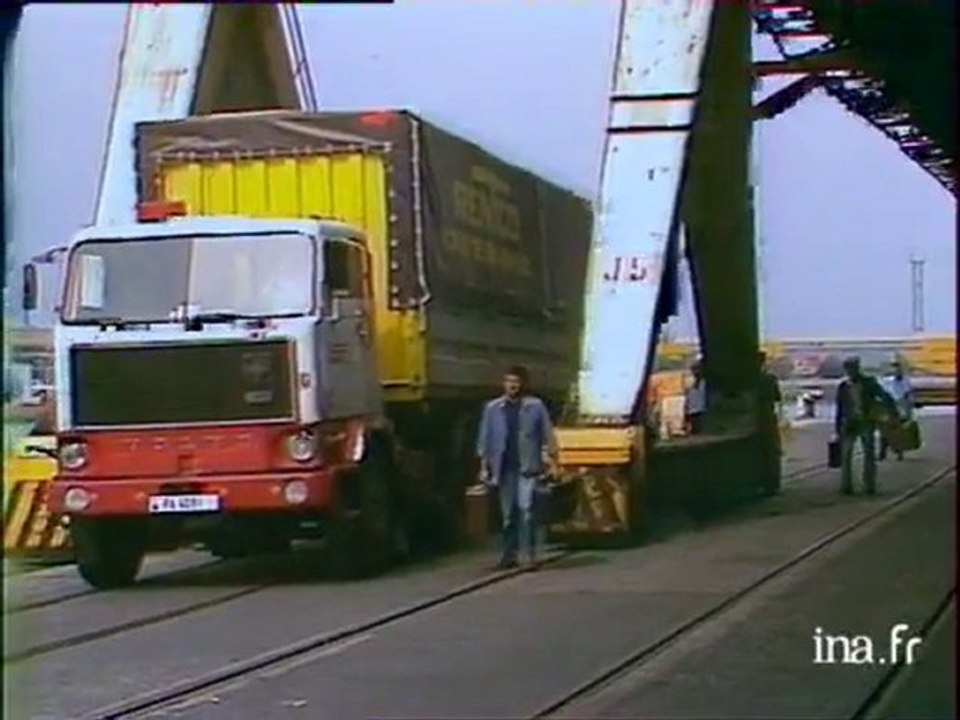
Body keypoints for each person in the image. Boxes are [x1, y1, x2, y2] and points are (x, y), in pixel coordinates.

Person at [476, 365, 557, 571]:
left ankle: (528, 556)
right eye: (509, 382)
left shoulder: (535, 406)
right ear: (503, 384)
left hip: (527, 468)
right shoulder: (493, 408)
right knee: (508, 515)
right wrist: (484, 467)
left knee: (527, 511)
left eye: (517, 382)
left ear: (523, 384)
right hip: (504, 469)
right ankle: (508, 555)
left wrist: (551, 460)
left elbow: (547, 434)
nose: (513, 386)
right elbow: (485, 440)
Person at [834, 356, 897, 496]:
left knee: (869, 454)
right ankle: (846, 486)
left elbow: (884, 396)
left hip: (866, 421)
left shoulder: (869, 383)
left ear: (857, 368)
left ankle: (869, 485)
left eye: (853, 368)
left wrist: (893, 411)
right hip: (849, 424)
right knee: (846, 455)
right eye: (848, 369)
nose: (851, 371)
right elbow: (840, 409)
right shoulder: (843, 387)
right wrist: (837, 429)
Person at [757, 352, 783, 495]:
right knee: (772, 451)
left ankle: (764, 482)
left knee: (762, 452)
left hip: (757, 418)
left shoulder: (751, 381)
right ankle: (773, 483)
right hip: (768, 416)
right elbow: (777, 399)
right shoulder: (770, 379)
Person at [879, 360, 915, 461]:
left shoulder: (905, 381)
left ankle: (899, 452)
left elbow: (908, 396)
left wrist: (909, 411)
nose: (897, 371)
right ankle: (882, 452)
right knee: (885, 431)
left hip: (900, 408)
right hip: (889, 408)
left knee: (899, 432)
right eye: (895, 369)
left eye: (899, 369)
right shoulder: (887, 381)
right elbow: (883, 394)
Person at [684, 360, 707, 435]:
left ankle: (696, 431)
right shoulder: (691, 380)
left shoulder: (701, 380)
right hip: (694, 405)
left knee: (697, 419)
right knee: (695, 419)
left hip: (697, 405)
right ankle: (695, 431)